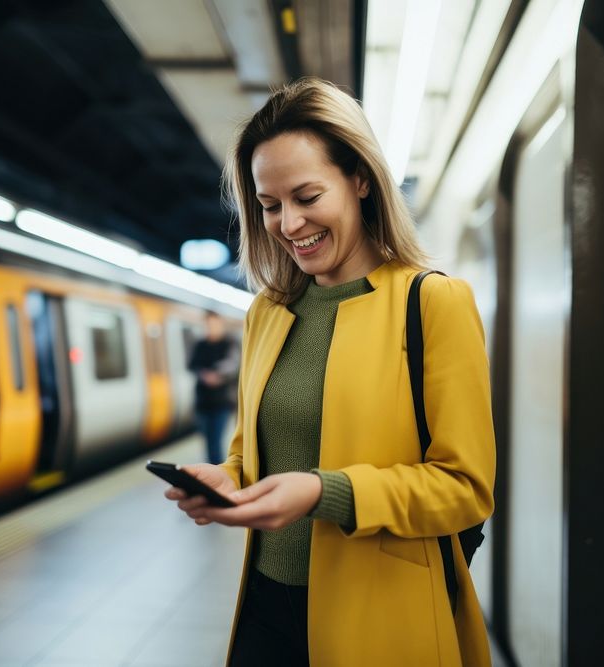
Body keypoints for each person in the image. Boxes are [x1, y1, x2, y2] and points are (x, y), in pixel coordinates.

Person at [164, 78, 496, 666]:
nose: (288, 224)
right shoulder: (268, 313)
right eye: (269, 206)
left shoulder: (432, 303)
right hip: (266, 613)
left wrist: (325, 491)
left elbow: (464, 489)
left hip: (381, 618)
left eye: (307, 197)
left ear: (361, 180)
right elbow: (252, 454)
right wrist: (226, 479)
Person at [188, 311, 240, 464]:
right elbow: (192, 365)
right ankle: (212, 469)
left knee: (216, 440)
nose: (211, 327)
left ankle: (217, 472)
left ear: (220, 324)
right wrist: (204, 374)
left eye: (214, 324)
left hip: (222, 402)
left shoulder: (230, 343)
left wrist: (218, 376)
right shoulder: (200, 345)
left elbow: (235, 366)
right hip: (203, 402)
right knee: (208, 441)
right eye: (208, 324)